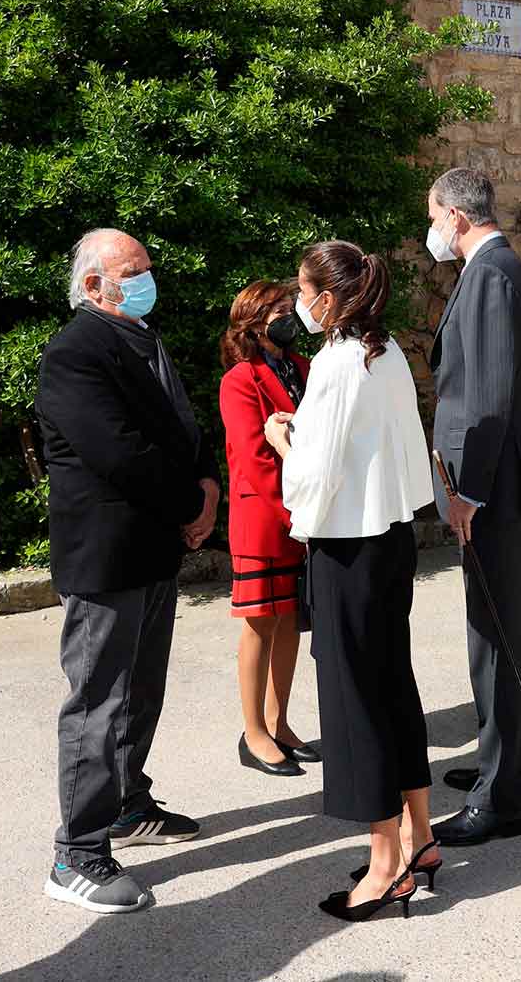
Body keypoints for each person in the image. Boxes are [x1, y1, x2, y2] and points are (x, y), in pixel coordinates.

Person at [35, 229, 219, 914]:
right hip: (106, 555)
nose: (145, 278)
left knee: (139, 692)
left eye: (145, 267)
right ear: (92, 285)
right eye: (131, 270)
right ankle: (76, 852)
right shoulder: (75, 350)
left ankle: (125, 804)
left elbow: (182, 429)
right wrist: (189, 503)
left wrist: (208, 482)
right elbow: (118, 451)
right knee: (98, 701)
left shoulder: (143, 337)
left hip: (153, 550)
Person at [263, 242, 436, 922]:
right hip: (390, 535)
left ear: (327, 299)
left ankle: (386, 862)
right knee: (393, 682)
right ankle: (420, 836)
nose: (298, 301)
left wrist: (284, 442)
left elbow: (318, 469)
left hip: (348, 546)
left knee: (354, 698)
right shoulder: (384, 349)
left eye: (303, 289)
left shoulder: (338, 363)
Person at [425, 167, 521, 844]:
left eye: (433, 216)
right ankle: (509, 758)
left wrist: (467, 491)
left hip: (491, 489)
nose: (432, 231)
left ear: (453, 214)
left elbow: (492, 392)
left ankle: (501, 793)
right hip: (495, 485)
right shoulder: (491, 270)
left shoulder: (492, 272)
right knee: (502, 632)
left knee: (494, 638)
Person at [218, 281, 319, 776]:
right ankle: (253, 732)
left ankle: (279, 722)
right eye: (278, 309)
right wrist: (294, 514)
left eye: (289, 306)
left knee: (289, 623)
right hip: (265, 516)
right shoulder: (240, 379)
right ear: (255, 323)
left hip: (302, 514)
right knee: (260, 623)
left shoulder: (301, 368)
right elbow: (252, 458)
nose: (289, 315)